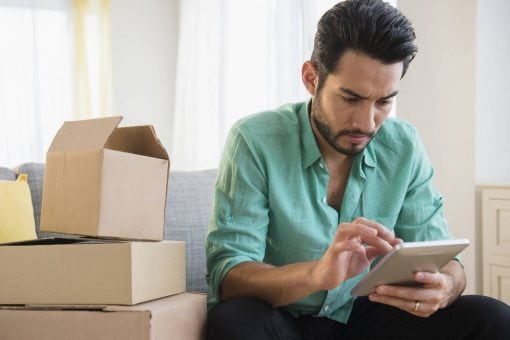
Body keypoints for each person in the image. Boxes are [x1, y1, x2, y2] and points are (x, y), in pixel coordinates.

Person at [205, 0, 510, 339]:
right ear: (311, 78)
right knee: (234, 320)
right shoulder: (254, 140)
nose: (367, 123)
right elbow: (229, 276)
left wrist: (446, 285)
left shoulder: (404, 146)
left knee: (492, 317)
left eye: (384, 102)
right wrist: (317, 275)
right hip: (285, 317)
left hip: (369, 315)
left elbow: (448, 263)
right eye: (350, 98)